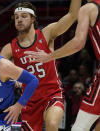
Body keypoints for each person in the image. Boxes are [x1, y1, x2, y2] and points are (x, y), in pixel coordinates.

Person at [0, 0, 81, 131]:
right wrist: (11, 78)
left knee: (52, 124)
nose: (19, 20)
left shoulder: (46, 34)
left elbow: (72, 15)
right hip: (29, 101)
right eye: (16, 17)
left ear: (33, 18)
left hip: (52, 93)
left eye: (24, 16)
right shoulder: (9, 49)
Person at [24, 0, 100, 130]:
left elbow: (78, 42)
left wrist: (49, 56)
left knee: (79, 128)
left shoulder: (88, 8)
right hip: (31, 97)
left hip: (51, 94)